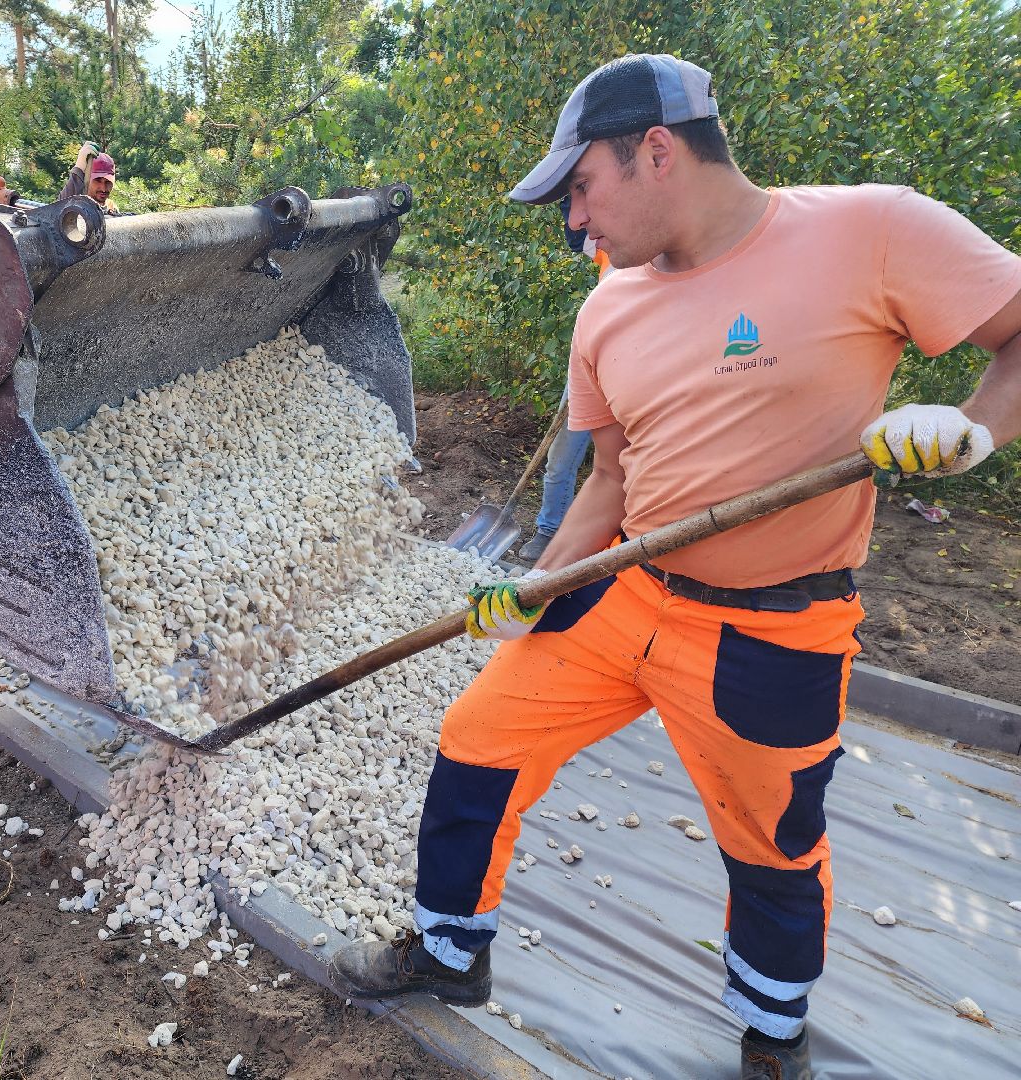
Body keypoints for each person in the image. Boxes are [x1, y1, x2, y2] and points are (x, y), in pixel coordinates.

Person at [330, 53, 1021, 1080]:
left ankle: (771, 1032)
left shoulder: (872, 230)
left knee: (772, 839)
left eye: (582, 186)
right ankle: (447, 952)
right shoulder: (606, 310)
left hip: (774, 626)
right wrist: (538, 585)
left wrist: (971, 432)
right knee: (479, 735)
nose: (576, 221)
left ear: (656, 151)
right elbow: (611, 484)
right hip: (629, 589)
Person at [517, 196, 609, 561]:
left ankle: (618, 541)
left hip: (640, 377)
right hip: (590, 369)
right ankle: (549, 531)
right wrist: (570, 191)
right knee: (561, 454)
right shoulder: (611, 249)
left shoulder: (661, 253)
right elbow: (577, 237)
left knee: (628, 465)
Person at [59, 140, 121, 215]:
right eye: (97, 180)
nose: (103, 189)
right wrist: (79, 168)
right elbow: (55, 214)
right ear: (87, 179)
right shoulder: (76, 206)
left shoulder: (111, 207)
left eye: (108, 182)